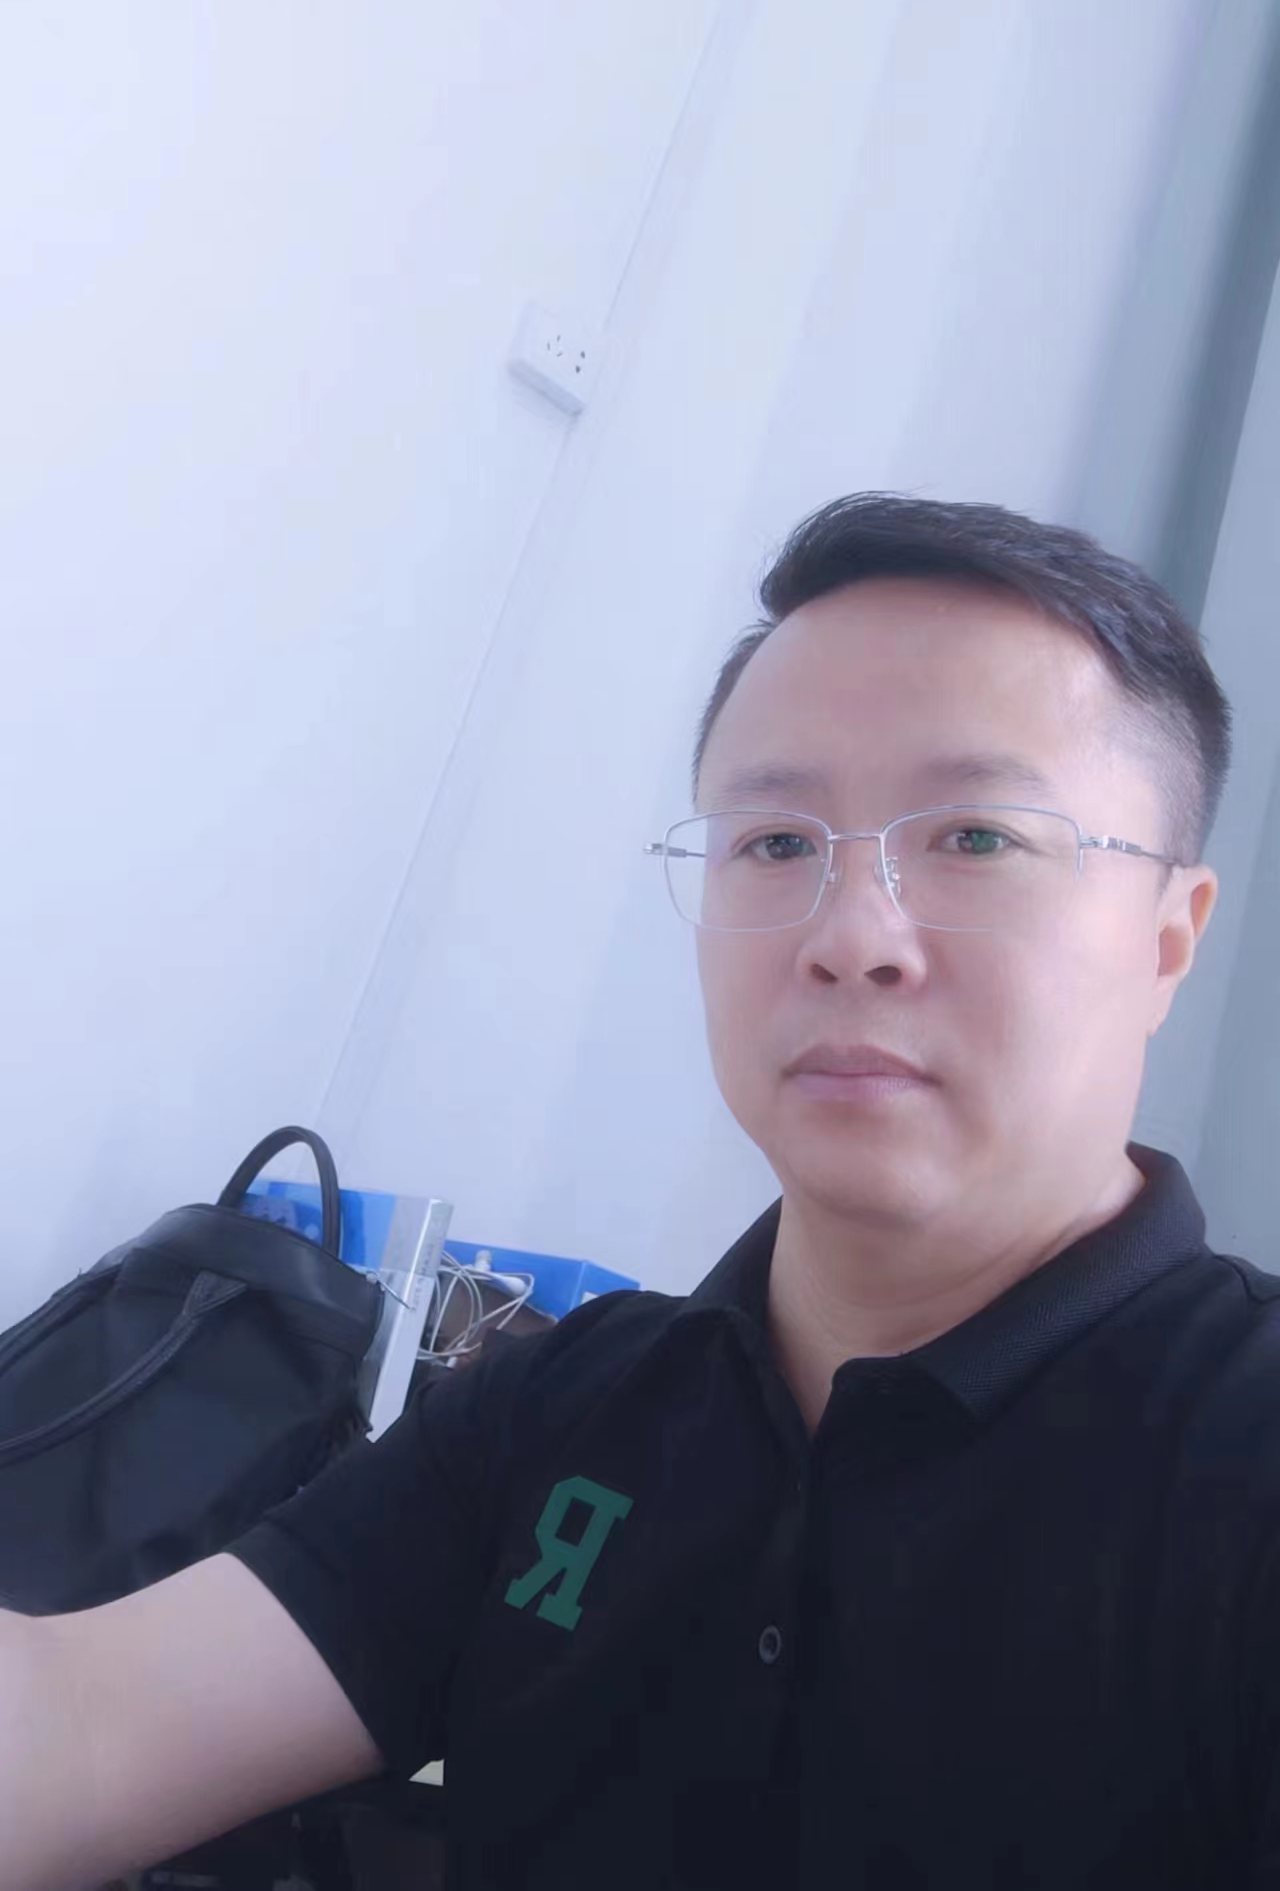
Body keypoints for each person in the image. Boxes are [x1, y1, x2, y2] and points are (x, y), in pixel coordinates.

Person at [11, 489, 1275, 1890]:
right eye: (777, 842)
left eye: (977, 837)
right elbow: (85, 1724)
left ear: (1168, 939)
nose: (852, 936)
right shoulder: (568, 1403)